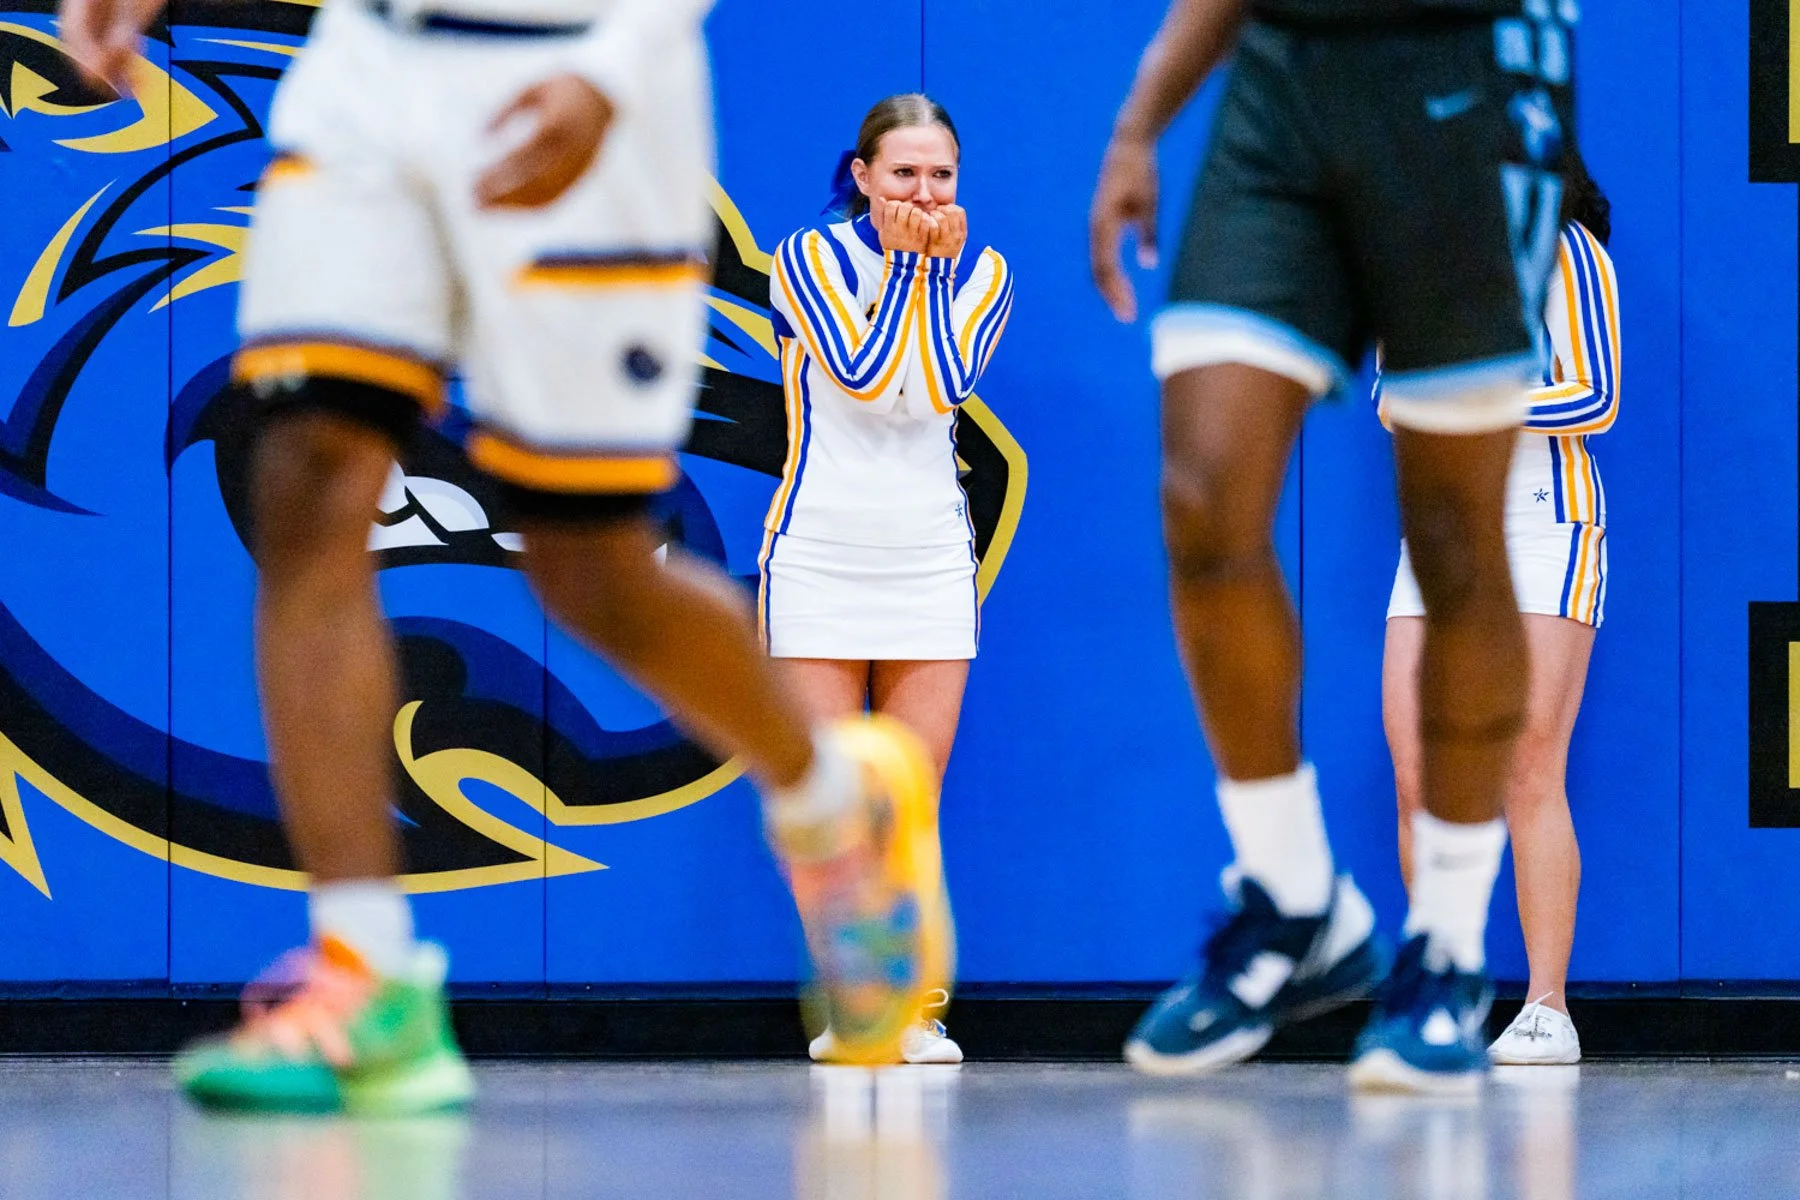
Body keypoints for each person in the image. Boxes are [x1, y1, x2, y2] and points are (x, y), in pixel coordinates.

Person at [58, 0, 953, 1111]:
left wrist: (624, 58)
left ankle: (832, 803)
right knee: (303, 474)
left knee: (593, 566)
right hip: (371, 66)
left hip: (582, 61)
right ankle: (366, 976)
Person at [1091, 0, 1576, 1092]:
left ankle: (1448, 947)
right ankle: (1292, 891)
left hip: (1474, 68)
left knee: (1457, 537)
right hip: (1282, 79)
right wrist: (1141, 120)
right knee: (1203, 492)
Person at [763, 94, 1014, 1065]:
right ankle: (852, 1007)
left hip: (926, 557)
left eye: (940, 175)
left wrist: (928, 270)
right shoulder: (809, 259)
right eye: (903, 172)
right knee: (828, 796)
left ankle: (912, 1009)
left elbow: (938, 386)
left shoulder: (985, 275)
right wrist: (911, 263)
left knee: (912, 794)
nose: (923, 190)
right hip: (819, 548)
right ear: (861, 175)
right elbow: (870, 376)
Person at [1382, 153, 1619, 1066]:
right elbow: (1388, 398)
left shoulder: (1570, 253)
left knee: (1526, 768)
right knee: (1417, 774)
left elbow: (1596, 394)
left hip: (1546, 525)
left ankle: (1547, 1008)